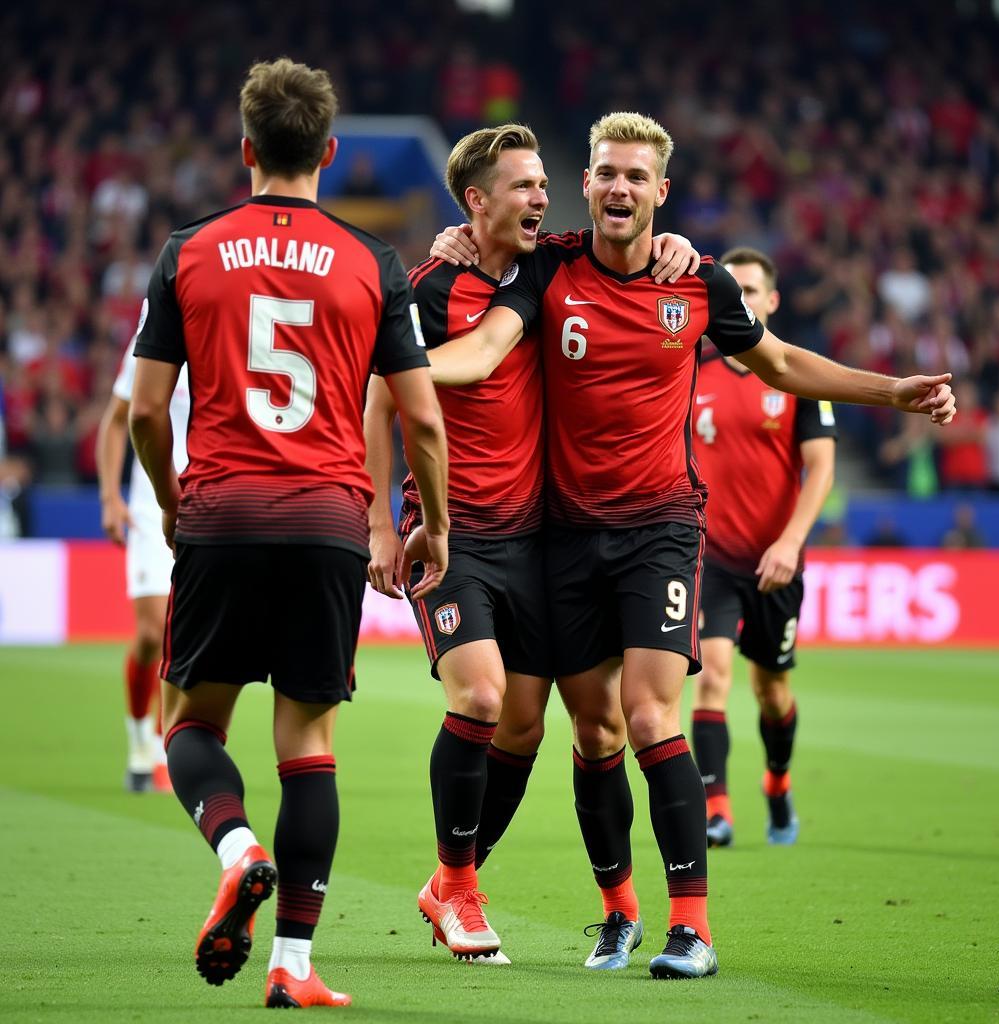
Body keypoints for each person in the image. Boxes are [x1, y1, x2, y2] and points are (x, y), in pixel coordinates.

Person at [426, 111, 956, 981]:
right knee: (592, 730)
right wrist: (434, 282)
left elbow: (781, 363)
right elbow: (485, 335)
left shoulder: (699, 283)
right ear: (588, 183)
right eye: (606, 173)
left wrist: (892, 391)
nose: (620, 188)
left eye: (638, 176)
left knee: (647, 717)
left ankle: (693, 930)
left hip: (660, 531)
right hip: (559, 536)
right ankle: (616, 914)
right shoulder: (549, 266)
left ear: (661, 191)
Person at [128, 58, 449, 1010]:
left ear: (245, 149)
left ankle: (238, 850)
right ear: (331, 154)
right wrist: (430, 519)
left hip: (222, 513)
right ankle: (295, 968)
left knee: (188, 724)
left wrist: (170, 495)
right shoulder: (372, 263)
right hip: (328, 521)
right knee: (308, 745)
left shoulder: (188, 250)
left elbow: (148, 409)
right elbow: (422, 419)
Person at [363, 122, 701, 967]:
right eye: (524, 186)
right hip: (447, 532)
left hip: (542, 539)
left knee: (535, 728)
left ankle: (489, 889)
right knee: (480, 699)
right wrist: (377, 519)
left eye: (546, 184)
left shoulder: (543, 267)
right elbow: (385, 393)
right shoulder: (430, 287)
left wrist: (676, 242)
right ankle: (461, 886)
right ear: (477, 201)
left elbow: (625, 240)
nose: (542, 197)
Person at [688, 247, 837, 850]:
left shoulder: (796, 376)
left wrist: (791, 542)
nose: (742, 301)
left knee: (771, 690)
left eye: (753, 291)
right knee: (711, 676)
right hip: (711, 556)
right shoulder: (695, 370)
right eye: (734, 290)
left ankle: (777, 780)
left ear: (771, 301)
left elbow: (821, 468)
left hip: (777, 561)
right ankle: (716, 808)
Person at [96, 341, 189, 793]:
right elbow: (116, 421)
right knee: (153, 632)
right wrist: (110, 497)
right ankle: (140, 736)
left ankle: (162, 743)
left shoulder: (238, 316)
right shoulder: (153, 332)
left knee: (185, 635)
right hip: (153, 501)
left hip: (214, 494)